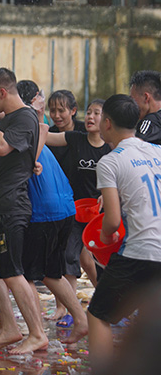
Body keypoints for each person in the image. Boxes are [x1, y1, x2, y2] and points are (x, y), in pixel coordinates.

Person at [0, 68, 49, 354]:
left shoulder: (24, 117)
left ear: (2, 92)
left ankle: (37, 333)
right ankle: (9, 327)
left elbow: (1, 147)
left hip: (12, 205)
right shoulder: (11, 119)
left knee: (13, 272)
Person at [87, 94, 161, 372]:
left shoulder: (110, 161)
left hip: (140, 250)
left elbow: (113, 219)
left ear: (107, 123)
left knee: (98, 315)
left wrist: (106, 238)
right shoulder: (158, 151)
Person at [45, 99, 111, 321]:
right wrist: (34, 113)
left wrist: (109, 194)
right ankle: (65, 308)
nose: (91, 117)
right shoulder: (75, 139)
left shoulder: (111, 148)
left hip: (100, 215)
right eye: (89, 112)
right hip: (73, 211)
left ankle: (107, 301)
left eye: (97, 113)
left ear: (107, 120)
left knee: (101, 261)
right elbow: (44, 136)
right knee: (67, 257)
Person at [129, 70, 161, 144]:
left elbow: (136, 147)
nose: (132, 105)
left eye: (132, 99)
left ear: (146, 97)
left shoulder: (150, 122)